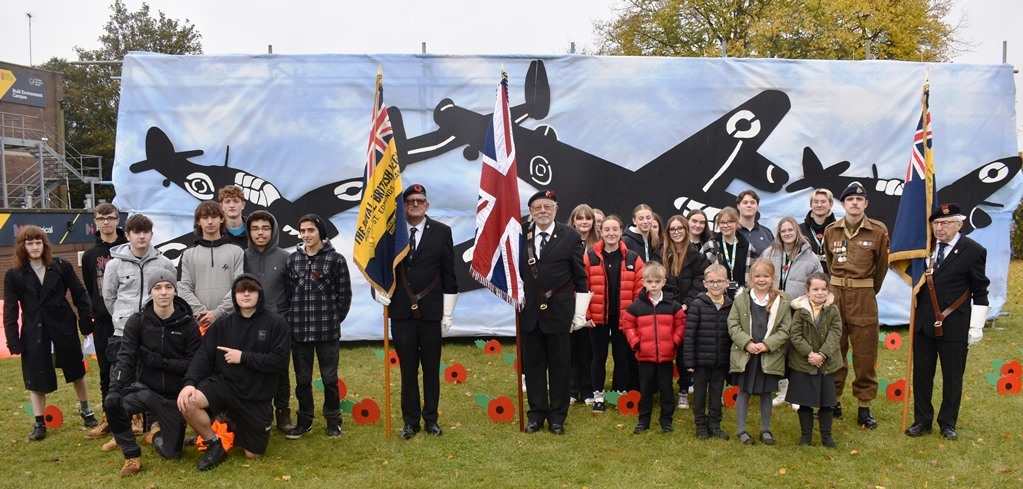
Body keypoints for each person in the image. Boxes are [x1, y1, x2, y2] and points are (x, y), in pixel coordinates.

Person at [177, 275, 290, 470]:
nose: (246, 294)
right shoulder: (222, 324)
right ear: (234, 295)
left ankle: (231, 423)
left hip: (257, 395)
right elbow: (203, 357)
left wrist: (244, 357)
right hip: (226, 386)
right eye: (241, 291)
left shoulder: (276, 323)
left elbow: (279, 361)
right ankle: (214, 443)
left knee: (252, 454)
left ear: (259, 294)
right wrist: (189, 383)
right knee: (188, 402)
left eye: (251, 290)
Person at [373, 185, 458, 440]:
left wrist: (448, 312)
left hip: (431, 313)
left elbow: (449, 274)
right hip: (400, 312)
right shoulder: (391, 234)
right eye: (410, 201)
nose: (415, 204)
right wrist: (375, 290)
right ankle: (410, 421)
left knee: (431, 368)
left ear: (427, 205)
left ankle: (431, 419)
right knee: (408, 369)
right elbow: (378, 267)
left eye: (420, 201)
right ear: (403, 205)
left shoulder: (442, 232)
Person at [104, 269, 202, 476]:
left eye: (168, 287)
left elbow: (193, 364)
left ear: (175, 291)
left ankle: (154, 435)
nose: (163, 292)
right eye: (157, 288)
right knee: (112, 403)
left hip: (176, 397)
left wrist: (161, 362)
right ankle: (131, 456)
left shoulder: (189, 325)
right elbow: (126, 358)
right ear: (151, 292)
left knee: (173, 453)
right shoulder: (137, 322)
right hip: (145, 391)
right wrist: (114, 388)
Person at [905, 203, 990, 441]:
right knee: (922, 375)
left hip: (954, 324)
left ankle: (948, 422)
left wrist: (976, 326)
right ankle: (922, 420)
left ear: (960, 224)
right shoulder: (924, 248)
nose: (939, 228)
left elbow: (980, 290)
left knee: (952, 377)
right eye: (936, 224)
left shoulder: (973, 250)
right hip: (924, 323)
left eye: (945, 223)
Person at [4, 226, 96, 441]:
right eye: (30, 243)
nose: (35, 247)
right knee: (35, 375)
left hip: (63, 326)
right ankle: (39, 422)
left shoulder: (61, 266)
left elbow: (80, 294)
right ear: (22, 246)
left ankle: (86, 409)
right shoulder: (14, 274)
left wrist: (85, 321)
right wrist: (13, 340)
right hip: (34, 331)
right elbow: (10, 310)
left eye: (38, 242)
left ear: (44, 245)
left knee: (76, 370)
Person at [519, 189, 590, 435]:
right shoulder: (520, 233)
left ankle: (557, 417)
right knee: (534, 365)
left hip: (559, 312)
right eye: (537, 207)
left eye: (547, 207)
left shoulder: (570, 236)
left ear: (556, 210)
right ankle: (536, 415)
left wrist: (579, 314)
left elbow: (581, 279)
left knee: (560, 367)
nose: (542, 211)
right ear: (531, 211)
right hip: (529, 313)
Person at [103, 213, 177, 444]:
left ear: (151, 234)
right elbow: (109, 297)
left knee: (152, 376)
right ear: (127, 235)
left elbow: (170, 294)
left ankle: (154, 425)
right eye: (136, 231)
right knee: (123, 375)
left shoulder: (163, 263)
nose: (141, 236)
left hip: (154, 330)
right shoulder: (114, 264)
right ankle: (125, 425)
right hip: (123, 330)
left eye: (145, 231)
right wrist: (124, 317)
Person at [824, 181, 888, 428]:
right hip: (836, 294)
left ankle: (864, 406)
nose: (854, 203)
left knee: (864, 353)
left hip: (864, 297)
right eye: (850, 199)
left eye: (859, 200)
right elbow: (830, 264)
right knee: (835, 348)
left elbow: (881, 268)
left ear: (866, 204)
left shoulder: (877, 231)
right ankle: (834, 400)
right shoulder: (832, 230)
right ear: (843, 204)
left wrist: (866, 291)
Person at [285, 214, 352, 439]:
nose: (306, 235)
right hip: (299, 330)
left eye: (310, 230)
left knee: (329, 378)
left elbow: (344, 296)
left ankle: (334, 420)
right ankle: (305, 421)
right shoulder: (293, 259)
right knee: (302, 379)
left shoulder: (336, 260)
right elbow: (288, 294)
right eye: (302, 231)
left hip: (327, 331)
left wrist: (333, 319)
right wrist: (291, 319)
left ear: (320, 232)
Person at [584, 214, 644, 412]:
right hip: (597, 318)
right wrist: (586, 315)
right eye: (607, 229)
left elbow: (639, 289)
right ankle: (598, 396)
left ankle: (619, 393)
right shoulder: (590, 256)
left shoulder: (633, 258)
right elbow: (582, 287)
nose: (611, 233)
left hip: (624, 318)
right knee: (598, 356)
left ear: (621, 231)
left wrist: (633, 317)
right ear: (601, 231)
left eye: (615, 229)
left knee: (622, 356)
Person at [728, 259, 791, 445]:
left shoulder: (782, 301)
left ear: (773, 278)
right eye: (757, 276)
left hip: (769, 355)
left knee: (766, 392)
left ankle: (765, 429)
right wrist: (746, 343)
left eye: (766, 276)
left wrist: (767, 344)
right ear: (750, 278)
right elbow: (733, 324)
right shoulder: (741, 299)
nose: (761, 279)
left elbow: (785, 329)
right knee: (744, 391)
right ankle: (741, 430)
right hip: (746, 355)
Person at [761, 216, 822, 407]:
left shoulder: (810, 256)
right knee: (780, 350)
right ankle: (783, 390)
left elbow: (818, 283)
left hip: (799, 310)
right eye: (783, 231)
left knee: (797, 350)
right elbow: (758, 276)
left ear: (797, 232)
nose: (787, 234)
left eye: (790, 230)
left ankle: (797, 393)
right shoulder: (770, 253)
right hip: (774, 309)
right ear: (779, 234)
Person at [243, 210, 295, 434]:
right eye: (255, 228)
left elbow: (292, 292)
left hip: (279, 325)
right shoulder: (242, 256)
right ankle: (256, 414)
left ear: (273, 231)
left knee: (280, 371)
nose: (260, 233)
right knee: (252, 370)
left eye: (265, 228)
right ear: (249, 232)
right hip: (249, 323)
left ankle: (283, 413)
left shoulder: (286, 257)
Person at [81, 203, 128, 439]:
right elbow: (91, 289)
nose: (106, 222)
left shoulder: (128, 248)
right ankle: (108, 417)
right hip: (103, 321)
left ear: (118, 220)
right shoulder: (90, 255)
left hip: (128, 319)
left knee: (131, 367)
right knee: (105, 370)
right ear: (96, 222)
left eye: (110, 217)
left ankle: (135, 415)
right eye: (101, 218)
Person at [621, 262, 685, 434]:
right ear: (643, 282)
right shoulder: (636, 306)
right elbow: (627, 325)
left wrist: (674, 341)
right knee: (646, 389)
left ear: (664, 282)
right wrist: (636, 343)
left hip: (666, 356)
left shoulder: (673, 305)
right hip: (645, 356)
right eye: (650, 282)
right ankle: (644, 420)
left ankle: (666, 421)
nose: (653, 285)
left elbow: (681, 324)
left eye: (657, 282)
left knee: (666, 389)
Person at [786, 272, 842, 448]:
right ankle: (806, 437)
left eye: (823, 289)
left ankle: (827, 437)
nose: (819, 293)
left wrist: (823, 354)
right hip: (804, 363)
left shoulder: (833, 310)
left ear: (828, 290)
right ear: (807, 291)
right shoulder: (800, 311)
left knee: (826, 403)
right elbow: (795, 335)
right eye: (815, 289)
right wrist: (810, 354)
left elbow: (835, 333)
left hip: (826, 363)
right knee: (805, 402)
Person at [661, 214, 710, 410]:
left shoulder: (697, 256)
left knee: (684, 354)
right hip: (665, 311)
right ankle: (664, 391)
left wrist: (687, 304)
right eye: (673, 229)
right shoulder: (661, 253)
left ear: (686, 230)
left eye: (680, 228)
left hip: (687, 312)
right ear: (668, 232)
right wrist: (669, 304)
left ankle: (683, 389)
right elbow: (656, 279)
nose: (676, 232)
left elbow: (700, 281)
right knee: (665, 351)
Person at [683, 264, 733, 440]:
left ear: (727, 283)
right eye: (711, 282)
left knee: (716, 394)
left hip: (720, 361)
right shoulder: (697, 304)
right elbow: (689, 335)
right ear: (705, 283)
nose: (715, 285)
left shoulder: (730, 305)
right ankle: (700, 425)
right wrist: (688, 361)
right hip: (700, 361)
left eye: (719, 281)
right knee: (699, 394)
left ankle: (715, 424)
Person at [179, 201, 245, 332]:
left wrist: (218, 313)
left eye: (214, 217)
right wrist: (203, 314)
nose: (210, 221)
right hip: (198, 325)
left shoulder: (237, 251)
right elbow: (183, 288)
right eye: (204, 217)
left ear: (221, 219)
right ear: (198, 221)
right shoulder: (188, 254)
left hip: (231, 323)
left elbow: (240, 287)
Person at [567, 204, 598, 405]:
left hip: (592, 303)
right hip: (569, 301)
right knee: (570, 350)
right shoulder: (566, 241)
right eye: (580, 218)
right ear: (573, 221)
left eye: (588, 218)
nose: (584, 222)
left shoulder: (599, 244)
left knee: (588, 351)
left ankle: (588, 390)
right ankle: (571, 390)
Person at [701, 207, 758, 300]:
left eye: (730, 221)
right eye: (722, 222)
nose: (726, 225)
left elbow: (754, 276)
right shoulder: (709, 247)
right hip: (715, 299)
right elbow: (701, 275)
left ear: (737, 223)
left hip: (742, 299)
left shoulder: (748, 248)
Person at [799, 188, 837, 274]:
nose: (819, 205)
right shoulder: (799, 230)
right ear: (811, 205)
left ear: (830, 204)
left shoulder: (839, 229)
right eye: (815, 202)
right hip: (806, 279)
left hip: (833, 280)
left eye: (823, 202)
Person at [736, 190, 774, 255]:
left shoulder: (767, 233)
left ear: (757, 206)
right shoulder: (732, 231)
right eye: (745, 202)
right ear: (738, 206)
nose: (749, 205)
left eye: (752, 202)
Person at [220, 185, 248, 249]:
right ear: (221, 206)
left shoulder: (253, 229)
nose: (232, 205)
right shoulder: (216, 231)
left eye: (236, 201)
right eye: (227, 201)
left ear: (243, 205)